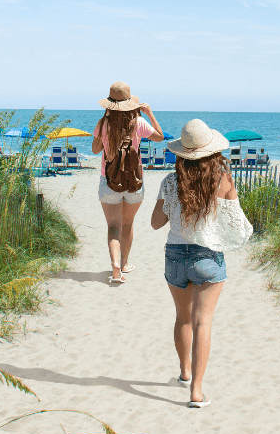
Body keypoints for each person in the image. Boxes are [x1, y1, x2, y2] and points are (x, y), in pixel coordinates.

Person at [151, 119, 249, 408]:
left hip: (175, 256)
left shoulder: (170, 182)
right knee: (202, 322)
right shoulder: (224, 180)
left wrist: (174, 207)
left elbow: (157, 223)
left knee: (182, 318)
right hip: (207, 257)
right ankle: (196, 391)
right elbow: (236, 223)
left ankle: (183, 372)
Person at [92, 81, 164, 283]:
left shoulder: (103, 123)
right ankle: (124, 263)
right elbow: (159, 137)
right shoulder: (139, 122)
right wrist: (149, 113)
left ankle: (115, 265)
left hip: (109, 182)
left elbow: (96, 150)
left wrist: (103, 127)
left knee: (113, 226)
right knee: (128, 223)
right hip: (134, 182)